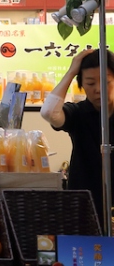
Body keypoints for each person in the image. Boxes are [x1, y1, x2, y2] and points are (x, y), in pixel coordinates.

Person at [42, 48, 114, 210]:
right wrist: (71, 72)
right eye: (90, 83)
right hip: (84, 203)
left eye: (106, 81)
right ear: (81, 85)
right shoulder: (78, 113)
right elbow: (48, 112)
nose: (98, 89)